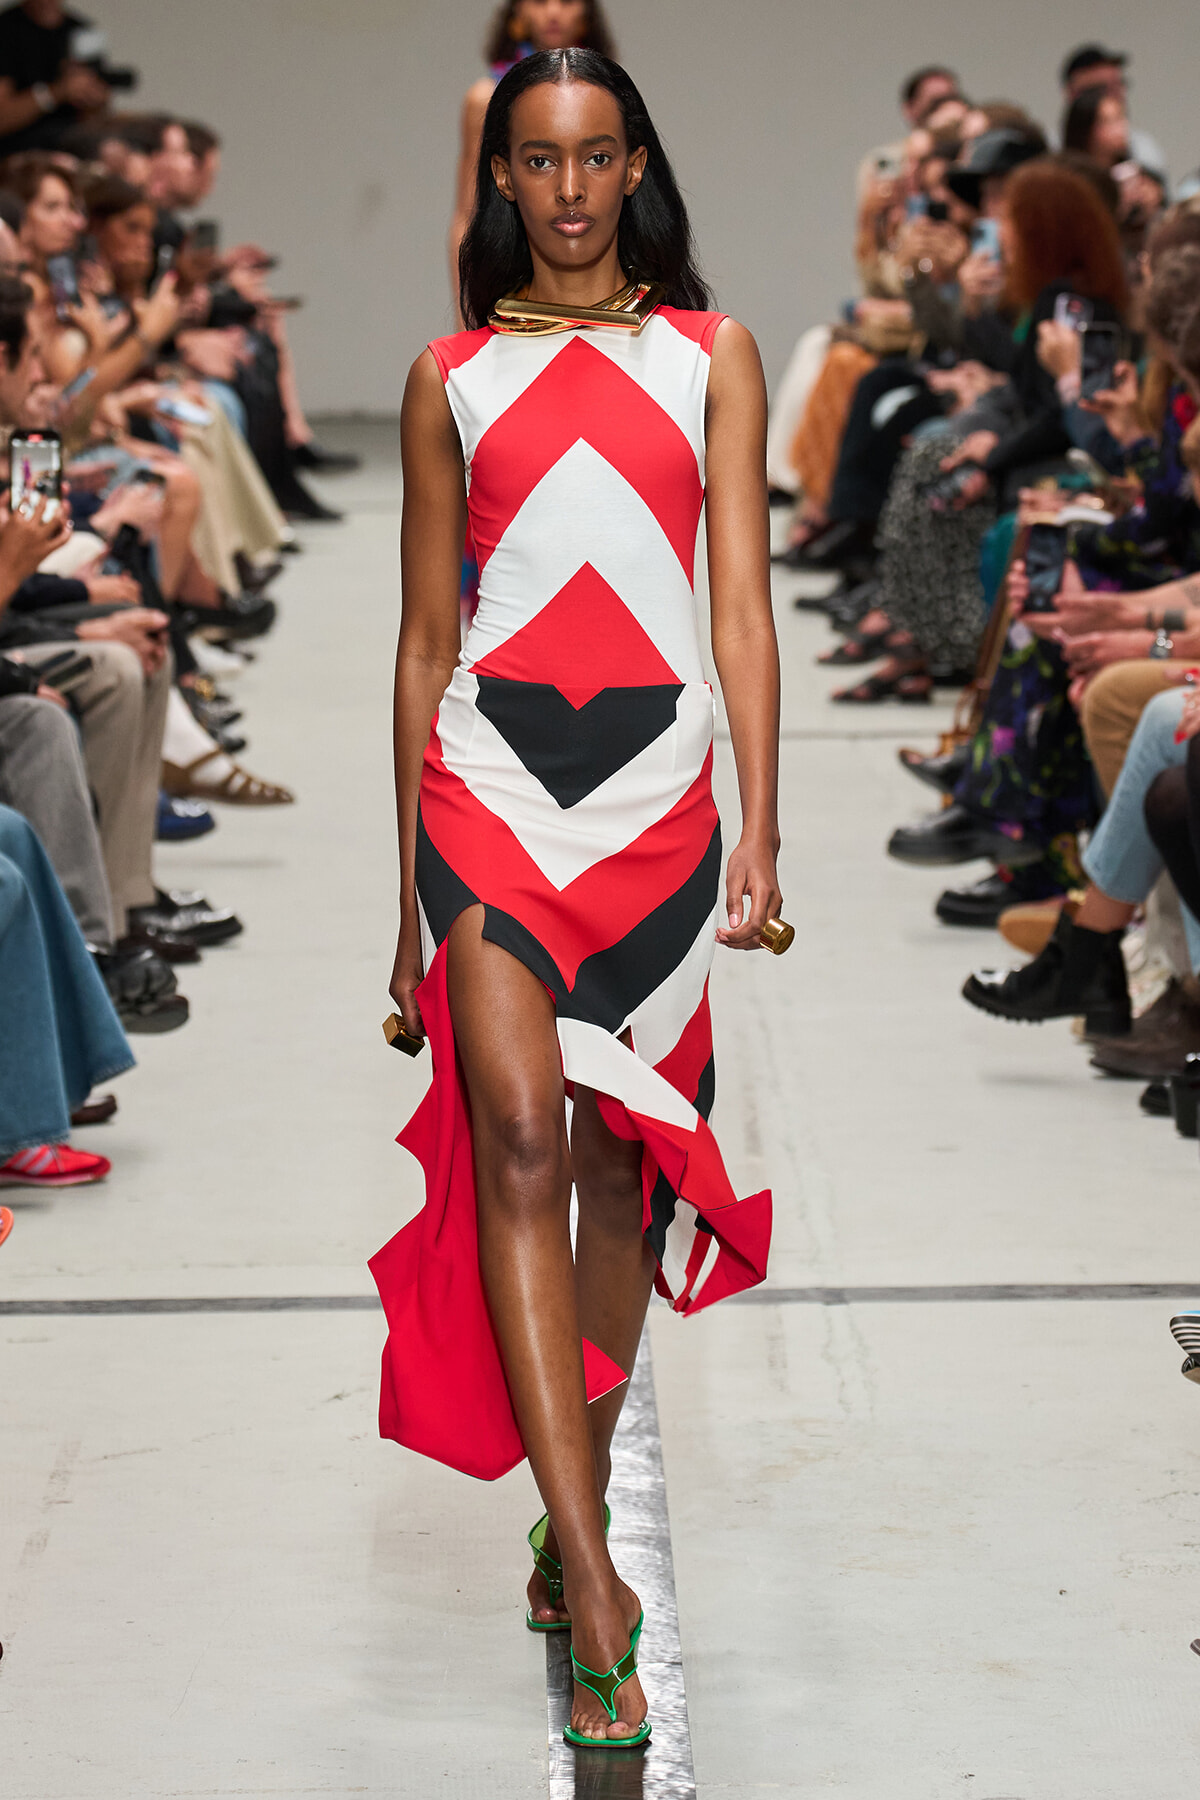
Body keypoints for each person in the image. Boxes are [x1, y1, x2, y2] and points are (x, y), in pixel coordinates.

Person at [374, 48, 780, 1751]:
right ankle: (599, 1588)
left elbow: (742, 601)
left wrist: (765, 828)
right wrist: (406, 903)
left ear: (635, 172)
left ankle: (574, 1497)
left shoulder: (712, 359)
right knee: (528, 1148)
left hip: (660, 820)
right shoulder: (446, 382)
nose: (564, 190)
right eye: (535, 163)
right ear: (502, 185)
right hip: (489, 806)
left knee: (619, 1183)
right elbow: (421, 645)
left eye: (594, 157)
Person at [448, 0, 616, 310]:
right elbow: (466, 214)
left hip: (605, 290)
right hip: (510, 289)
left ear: (586, 15)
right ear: (517, 14)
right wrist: (466, 308)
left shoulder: (612, 95)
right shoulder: (484, 99)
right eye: (539, 1)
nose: (553, 12)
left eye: (566, 1)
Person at [0, 0, 112, 159]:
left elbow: (99, 111)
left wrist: (93, 98)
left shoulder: (83, 31)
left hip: (73, 150)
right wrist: (57, 92)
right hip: (19, 156)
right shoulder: (6, 29)